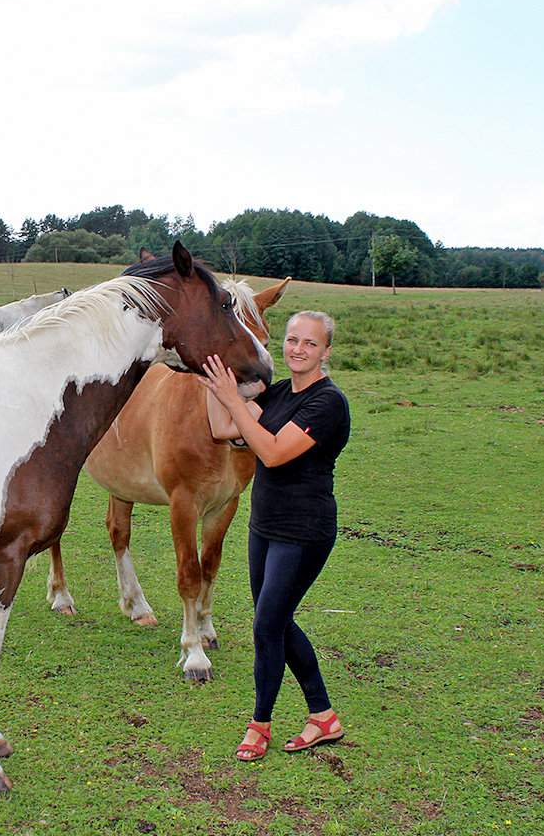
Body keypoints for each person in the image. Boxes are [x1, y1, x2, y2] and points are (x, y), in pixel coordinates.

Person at [197, 310, 350, 762]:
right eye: (292, 340)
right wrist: (215, 387)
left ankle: (259, 725)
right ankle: (323, 717)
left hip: (304, 531)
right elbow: (223, 429)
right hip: (264, 526)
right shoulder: (280, 393)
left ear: (325, 352)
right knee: (276, 621)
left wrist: (233, 398)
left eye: (310, 343)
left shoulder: (328, 403)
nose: (298, 349)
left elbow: (272, 452)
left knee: (267, 626)